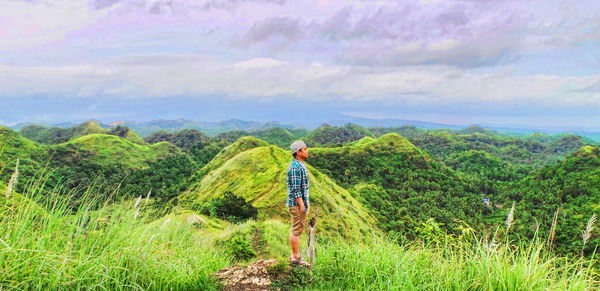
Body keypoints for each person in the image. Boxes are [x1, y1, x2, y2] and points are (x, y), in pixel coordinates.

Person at [287, 140, 311, 266]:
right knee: (296, 230)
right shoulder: (295, 168)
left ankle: (295, 255)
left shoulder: (300, 164)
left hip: (300, 203)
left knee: (298, 229)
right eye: (305, 149)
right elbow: (296, 189)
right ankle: (295, 257)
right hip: (297, 204)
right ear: (298, 152)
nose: (307, 151)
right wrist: (301, 205)